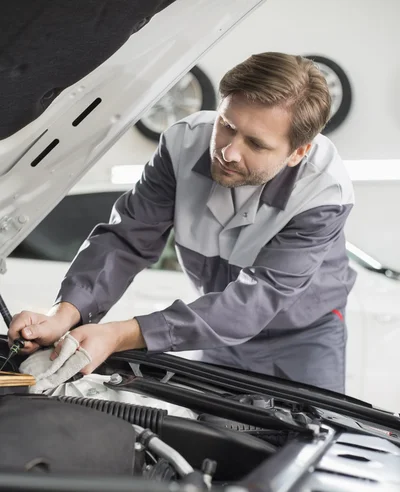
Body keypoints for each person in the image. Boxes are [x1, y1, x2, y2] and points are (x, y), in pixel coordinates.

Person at [9, 52, 356, 393]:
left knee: (310, 440)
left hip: (304, 339)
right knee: (211, 435)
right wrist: (64, 314)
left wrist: (118, 335)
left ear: (299, 152)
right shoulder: (182, 144)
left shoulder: (324, 191)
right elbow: (127, 239)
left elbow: (255, 302)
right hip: (215, 329)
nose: (229, 152)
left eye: (255, 143)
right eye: (227, 126)